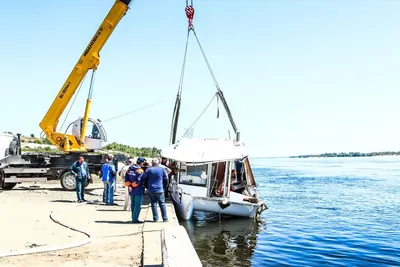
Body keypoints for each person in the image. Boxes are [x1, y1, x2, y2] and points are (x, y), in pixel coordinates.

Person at [125, 157, 146, 223]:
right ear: (142, 163)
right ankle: (135, 219)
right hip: (138, 189)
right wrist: (132, 185)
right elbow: (138, 181)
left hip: (131, 189)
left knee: (132, 204)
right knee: (137, 205)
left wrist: (129, 185)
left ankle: (133, 217)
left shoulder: (129, 169)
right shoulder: (140, 171)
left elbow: (126, 178)